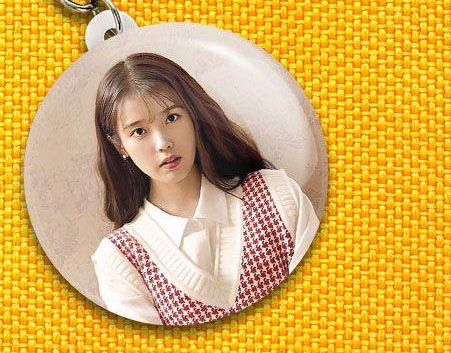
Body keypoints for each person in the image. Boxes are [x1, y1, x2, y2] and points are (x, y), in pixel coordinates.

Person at [90, 52, 319, 326]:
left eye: (172, 117)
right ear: (119, 145)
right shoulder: (120, 261)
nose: (163, 143)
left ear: (193, 116)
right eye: (139, 132)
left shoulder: (277, 196)